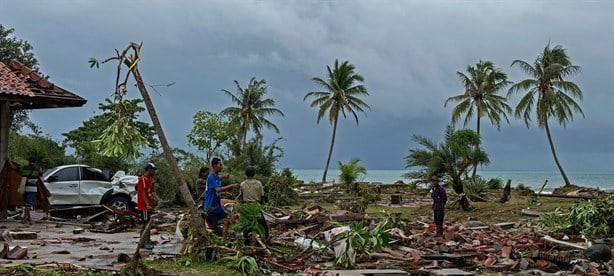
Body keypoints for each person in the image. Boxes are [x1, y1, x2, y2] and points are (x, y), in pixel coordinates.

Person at [203, 157, 239, 237]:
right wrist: (231, 185)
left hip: (217, 206)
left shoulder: (216, 177)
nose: (221, 166)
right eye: (220, 165)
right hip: (211, 207)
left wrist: (225, 177)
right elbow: (217, 189)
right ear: (215, 166)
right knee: (215, 228)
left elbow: (219, 178)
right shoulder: (210, 177)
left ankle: (224, 241)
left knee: (226, 221)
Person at [239, 166, 269, 241]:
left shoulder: (242, 184)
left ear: (246, 174)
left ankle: (246, 240)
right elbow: (262, 196)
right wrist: (262, 205)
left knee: (246, 224)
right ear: (254, 174)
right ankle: (265, 237)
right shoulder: (258, 183)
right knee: (262, 224)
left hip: (246, 206)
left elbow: (241, 196)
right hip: (256, 206)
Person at [137, 162, 157, 249]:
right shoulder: (143, 179)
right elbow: (143, 192)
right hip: (144, 206)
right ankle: (144, 242)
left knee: (147, 223)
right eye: (153, 169)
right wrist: (147, 204)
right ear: (149, 169)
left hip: (147, 205)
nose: (154, 171)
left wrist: (153, 183)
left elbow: (149, 191)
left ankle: (144, 241)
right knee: (145, 224)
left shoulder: (148, 179)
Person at [18, 155, 42, 224]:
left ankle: (28, 218)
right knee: (28, 204)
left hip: (24, 188)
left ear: (29, 161)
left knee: (26, 203)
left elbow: (16, 169)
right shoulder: (38, 169)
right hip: (33, 188)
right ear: (35, 161)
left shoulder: (24, 167)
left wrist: (9, 162)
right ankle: (25, 218)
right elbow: (41, 175)